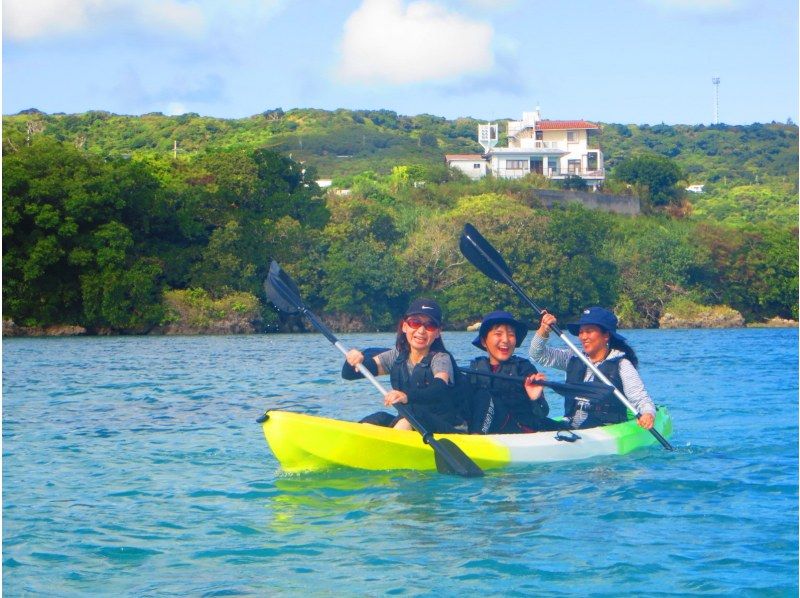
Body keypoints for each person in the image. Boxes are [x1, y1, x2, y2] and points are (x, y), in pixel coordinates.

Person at [342, 298, 466, 433]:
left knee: (409, 419)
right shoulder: (396, 356)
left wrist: (407, 396)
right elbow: (349, 374)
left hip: (447, 428)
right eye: (415, 323)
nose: (421, 330)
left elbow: (439, 387)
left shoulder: (441, 358)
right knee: (378, 418)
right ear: (405, 326)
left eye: (430, 326)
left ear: (437, 332)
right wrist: (353, 359)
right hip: (412, 420)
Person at [529, 306, 656, 430]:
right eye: (581, 332)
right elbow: (537, 354)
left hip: (605, 428)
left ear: (606, 335)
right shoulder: (572, 357)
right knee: (534, 422)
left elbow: (641, 399)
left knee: (588, 422)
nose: (583, 337)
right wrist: (544, 330)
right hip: (570, 425)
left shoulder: (622, 365)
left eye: (589, 331)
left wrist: (648, 414)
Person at [465, 310, 564, 434]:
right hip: (489, 430)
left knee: (484, 396)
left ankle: (476, 439)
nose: (505, 340)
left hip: (519, 431)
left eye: (511, 334)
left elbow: (542, 413)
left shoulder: (524, 369)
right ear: (484, 341)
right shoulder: (475, 369)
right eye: (498, 334)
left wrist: (536, 399)